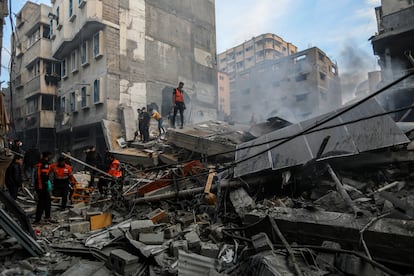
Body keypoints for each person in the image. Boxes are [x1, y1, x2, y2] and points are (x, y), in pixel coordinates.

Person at [33, 152, 52, 224]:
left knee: (46, 201)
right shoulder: (45, 164)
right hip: (42, 186)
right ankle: (38, 219)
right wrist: (47, 184)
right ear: (47, 156)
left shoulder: (39, 163)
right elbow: (44, 175)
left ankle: (46, 217)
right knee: (43, 202)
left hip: (38, 185)